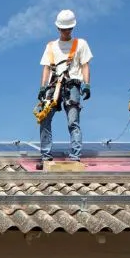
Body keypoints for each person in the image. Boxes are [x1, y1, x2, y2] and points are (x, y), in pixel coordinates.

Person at [36, 9, 93, 168]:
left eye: (68, 29)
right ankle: (45, 156)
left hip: (72, 85)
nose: (66, 32)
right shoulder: (51, 46)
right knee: (44, 119)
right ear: (58, 28)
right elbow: (46, 68)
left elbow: (85, 66)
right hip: (53, 85)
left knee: (73, 121)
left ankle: (75, 156)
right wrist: (42, 87)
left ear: (72, 28)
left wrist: (87, 84)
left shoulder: (80, 44)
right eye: (63, 29)